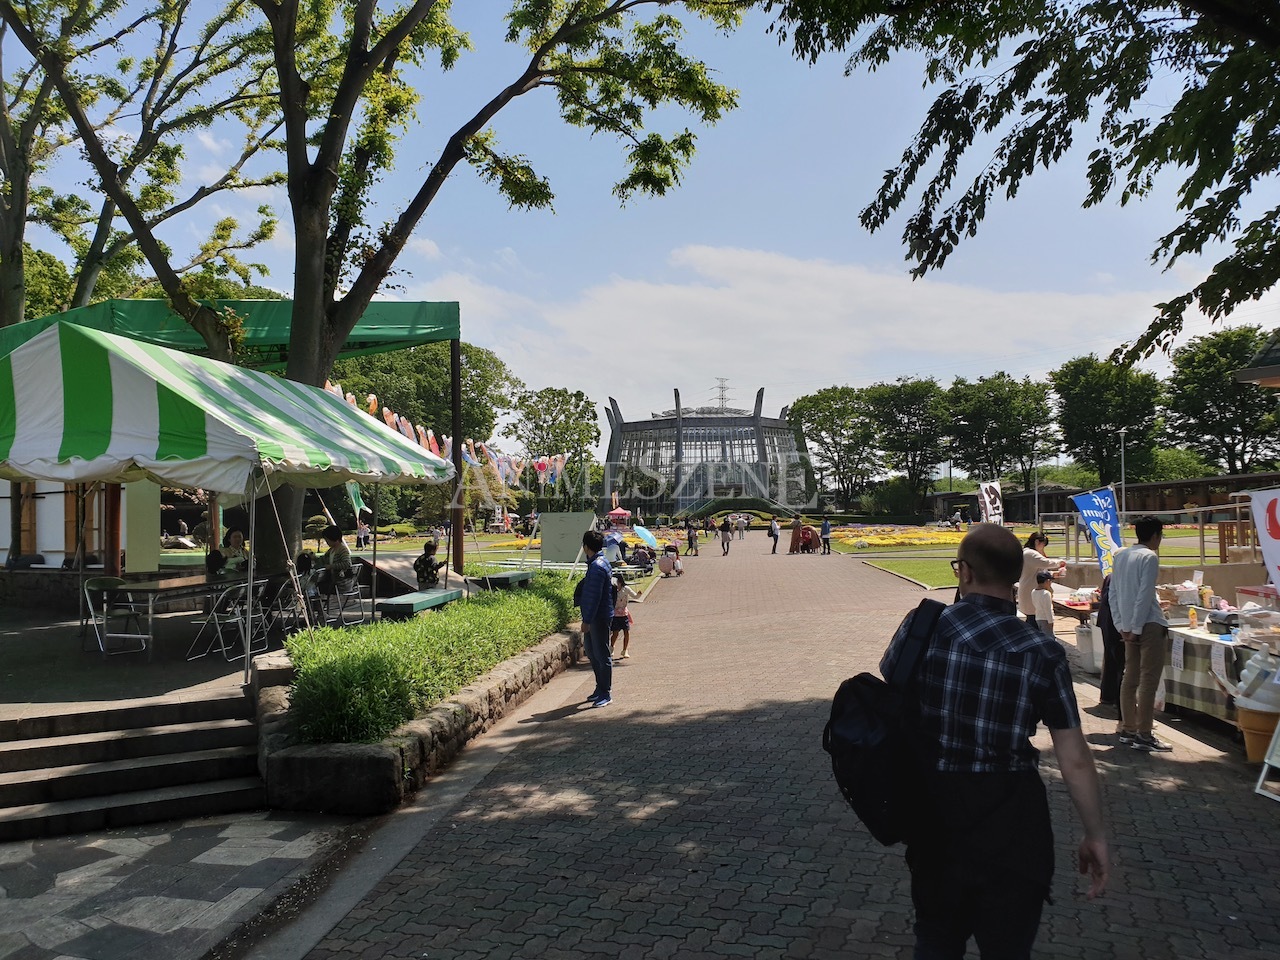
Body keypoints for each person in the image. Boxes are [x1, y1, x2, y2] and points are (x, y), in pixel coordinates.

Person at [880, 523, 1108, 957]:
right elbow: (1074, 755)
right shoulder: (1043, 652)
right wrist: (1094, 833)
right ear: (1016, 574)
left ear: (964, 572)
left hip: (935, 811)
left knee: (936, 938)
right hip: (1012, 818)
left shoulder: (924, 625)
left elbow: (892, 688)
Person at [1108, 515, 1172, 752]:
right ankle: (1144, 734)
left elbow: (1113, 594)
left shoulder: (1121, 555)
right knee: (1148, 680)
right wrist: (1134, 628)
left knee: (1130, 677)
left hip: (1127, 626)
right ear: (1155, 535)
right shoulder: (1149, 556)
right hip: (1148, 624)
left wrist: (1122, 626)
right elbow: (1145, 595)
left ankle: (1128, 728)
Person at [578, 531, 614, 707]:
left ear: (586, 547)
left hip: (598, 617)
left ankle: (605, 692)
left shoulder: (596, 567)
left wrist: (587, 620)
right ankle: (600, 688)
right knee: (593, 653)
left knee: (601, 654)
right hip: (599, 614)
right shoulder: (600, 562)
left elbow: (594, 597)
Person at [1017, 532, 1064, 624]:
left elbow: (1038, 571)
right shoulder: (1030, 553)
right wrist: (1060, 562)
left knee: (1035, 618)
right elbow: (1045, 563)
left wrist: (1052, 574)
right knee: (1034, 619)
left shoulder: (1027, 553)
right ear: (1037, 542)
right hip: (1030, 590)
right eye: (1043, 545)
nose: (1043, 548)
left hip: (1030, 588)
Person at [1096, 574, 1125, 714]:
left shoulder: (1111, 576)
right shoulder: (1118, 578)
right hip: (1113, 625)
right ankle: (1117, 699)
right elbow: (1110, 599)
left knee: (1110, 661)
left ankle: (1108, 696)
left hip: (1108, 622)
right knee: (1118, 663)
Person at [609, 572, 643, 660]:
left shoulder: (626, 589)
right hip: (615, 614)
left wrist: (639, 594)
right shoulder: (612, 590)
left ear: (620, 581)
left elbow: (635, 596)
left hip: (624, 614)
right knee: (615, 632)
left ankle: (625, 650)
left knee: (626, 632)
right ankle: (611, 647)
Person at [315, 525, 354, 595]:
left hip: (341, 582)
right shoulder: (331, 550)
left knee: (317, 587)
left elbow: (347, 564)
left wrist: (331, 566)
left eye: (327, 540)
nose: (327, 542)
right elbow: (323, 558)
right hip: (334, 581)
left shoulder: (342, 549)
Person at [1032, 570, 1056, 636]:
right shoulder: (1046, 594)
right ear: (1047, 581)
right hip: (1046, 619)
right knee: (1049, 638)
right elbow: (1048, 610)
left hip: (1038, 618)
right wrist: (1051, 622)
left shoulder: (1033, 592)